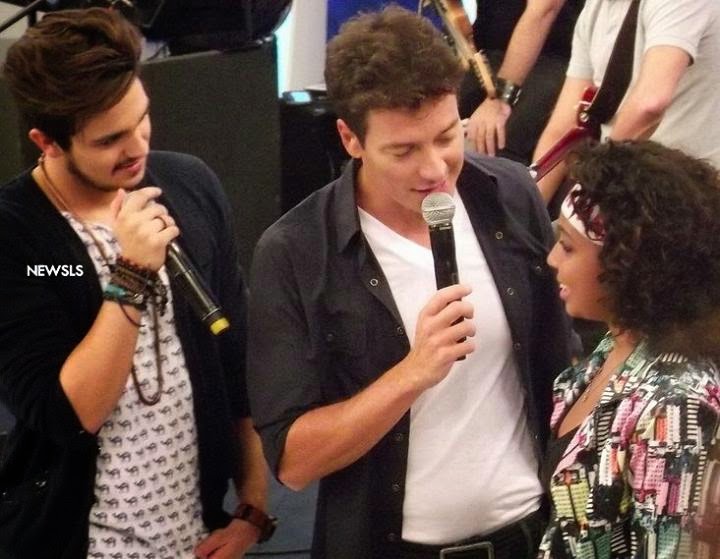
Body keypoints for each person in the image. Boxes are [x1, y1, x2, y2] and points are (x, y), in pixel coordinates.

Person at [247, 6, 571, 559]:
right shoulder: (295, 251)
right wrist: (412, 374)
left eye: (447, 136)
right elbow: (294, 462)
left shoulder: (511, 196)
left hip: (530, 536)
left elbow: (561, 369)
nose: (435, 169)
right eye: (404, 151)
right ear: (350, 138)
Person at [0, 8, 273, 558]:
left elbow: (237, 362)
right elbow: (69, 413)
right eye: (109, 140)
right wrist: (131, 273)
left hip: (196, 533)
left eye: (141, 119)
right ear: (47, 142)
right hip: (80, 539)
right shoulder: (18, 237)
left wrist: (253, 508)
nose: (137, 147)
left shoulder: (189, 184)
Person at [539, 140, 720, 558]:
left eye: (568, 246)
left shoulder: (676, 405)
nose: (551, 259)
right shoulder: (614, 344)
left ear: (627, 260)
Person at [533, 0, 720, 205]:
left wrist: (593, 191)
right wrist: (526, 207)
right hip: (624, 184)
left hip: (685, 195)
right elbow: (563, 128)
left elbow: (649, 104)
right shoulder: (596, 7)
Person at [462, 0, 584, 163]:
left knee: (497, 138)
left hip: (552, 57)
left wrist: (501, 98)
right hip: (486, 52)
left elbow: (543, 11)